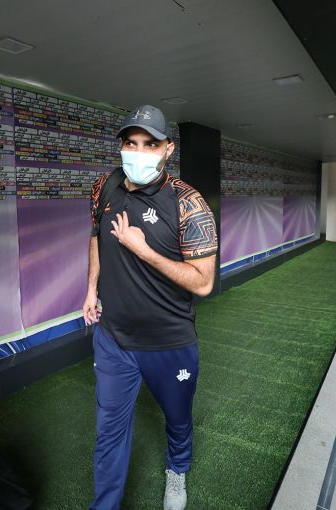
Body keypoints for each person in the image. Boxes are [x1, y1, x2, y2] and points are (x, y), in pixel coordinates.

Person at [83, 105, 218, 510]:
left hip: (169, 342)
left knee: (177, 419)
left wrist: (144, 251)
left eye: (150, 144)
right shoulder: (104, 186)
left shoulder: (188, 203)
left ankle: (177, 469)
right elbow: (96, 237)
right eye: (131, 143)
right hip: (114, 338)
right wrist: (91, 289)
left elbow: (204, 282)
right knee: (109, 433)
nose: (139, 152)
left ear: (168, 149)